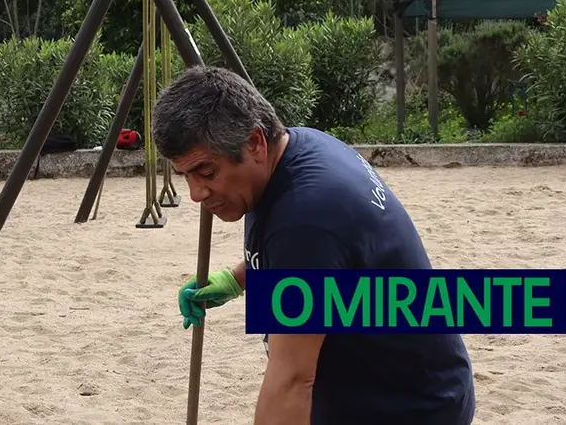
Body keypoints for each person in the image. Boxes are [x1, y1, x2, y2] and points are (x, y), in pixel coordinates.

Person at [151, 65, 475, 425]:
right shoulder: (296, 146)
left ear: (255, 143)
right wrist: (238, 279)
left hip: (407, 407)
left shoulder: (307, 218)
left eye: (207, 172)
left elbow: (290, 381)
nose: (196, 194)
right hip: (410, 383)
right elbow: (327, 263)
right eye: (186, 177)